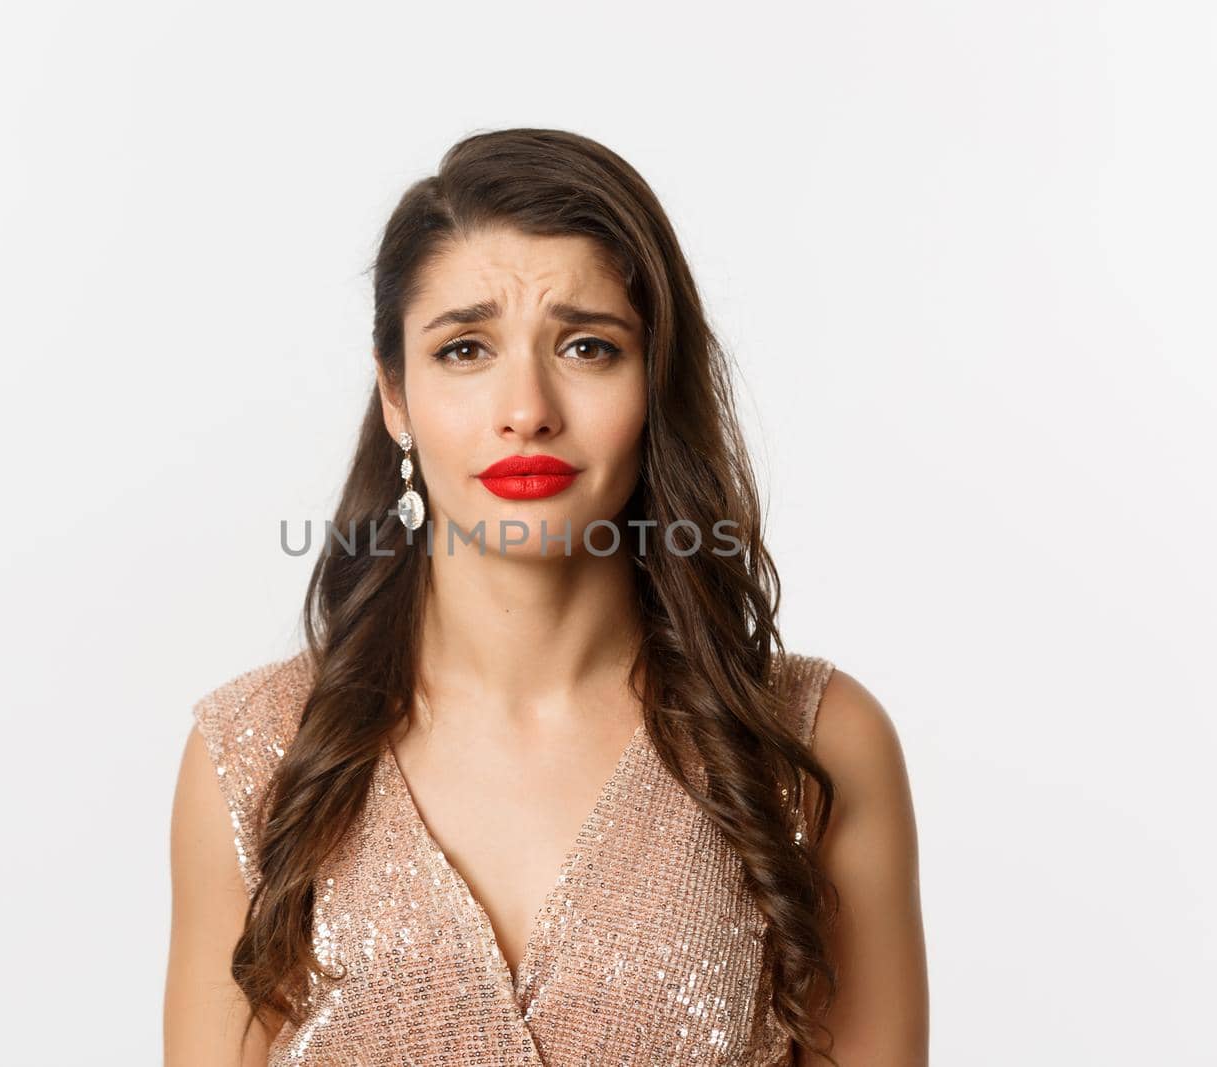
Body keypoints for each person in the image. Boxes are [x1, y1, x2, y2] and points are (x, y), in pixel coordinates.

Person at [164, 127, 928, 1066]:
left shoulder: (812, 744)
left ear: (655, 381)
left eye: (586, 345)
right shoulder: (257, 755)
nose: (526, 406)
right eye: (466, 349)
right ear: (395, 396)